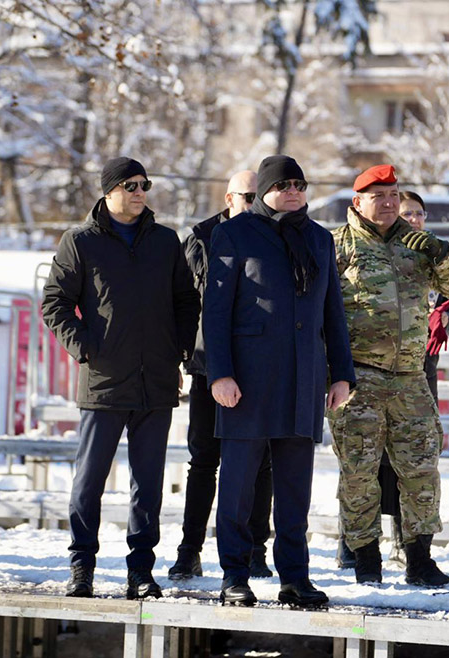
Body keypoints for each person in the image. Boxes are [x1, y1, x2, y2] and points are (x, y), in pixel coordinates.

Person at [42, 156, 200, 600]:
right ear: (108, 191)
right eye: (130, 185)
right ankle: (82, 567)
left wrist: (181, 350)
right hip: (104, 381)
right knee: (88, 482)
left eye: (144, 184)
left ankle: (141, 572)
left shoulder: (166, 242)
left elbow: (186, 303)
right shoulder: (80, 242)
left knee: (147, 486)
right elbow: (54, 303)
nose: (139, 192)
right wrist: (86, 347)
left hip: (157, 383)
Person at [204, 155, 354, 608]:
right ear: (266, 190)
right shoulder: (233, 233)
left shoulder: (319, 239)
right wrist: (220, 373)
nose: (293, 191)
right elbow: (216, 312)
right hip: (247, 380)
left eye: (300, 183)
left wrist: (341, 373)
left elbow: (333, 313)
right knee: (237, 487)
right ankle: (235, 574)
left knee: (294, 490)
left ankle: (295, 578)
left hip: (303, 377)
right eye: (283, 184)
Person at [329, 165, 449, 587]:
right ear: (358, 202)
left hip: (410, 376)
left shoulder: (418, 246)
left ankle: (419, 558)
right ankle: (365, 556)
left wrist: (437, 249)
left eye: (394, 195)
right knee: (359, 471)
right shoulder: (337, 245)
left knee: (422, 469)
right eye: (379, 196)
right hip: (359, 378)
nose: (389, 203)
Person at [168, 171, 274, 582]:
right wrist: (182, 358)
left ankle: (255, 551)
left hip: (261, 370)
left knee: (259, 465)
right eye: (247, 196)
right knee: (204, 462)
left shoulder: (272, 235)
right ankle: (189, 549)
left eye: (258, 195)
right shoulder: (200, 238)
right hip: (209, 367)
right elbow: (184, 304)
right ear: (229, 198)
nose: (253, 202)